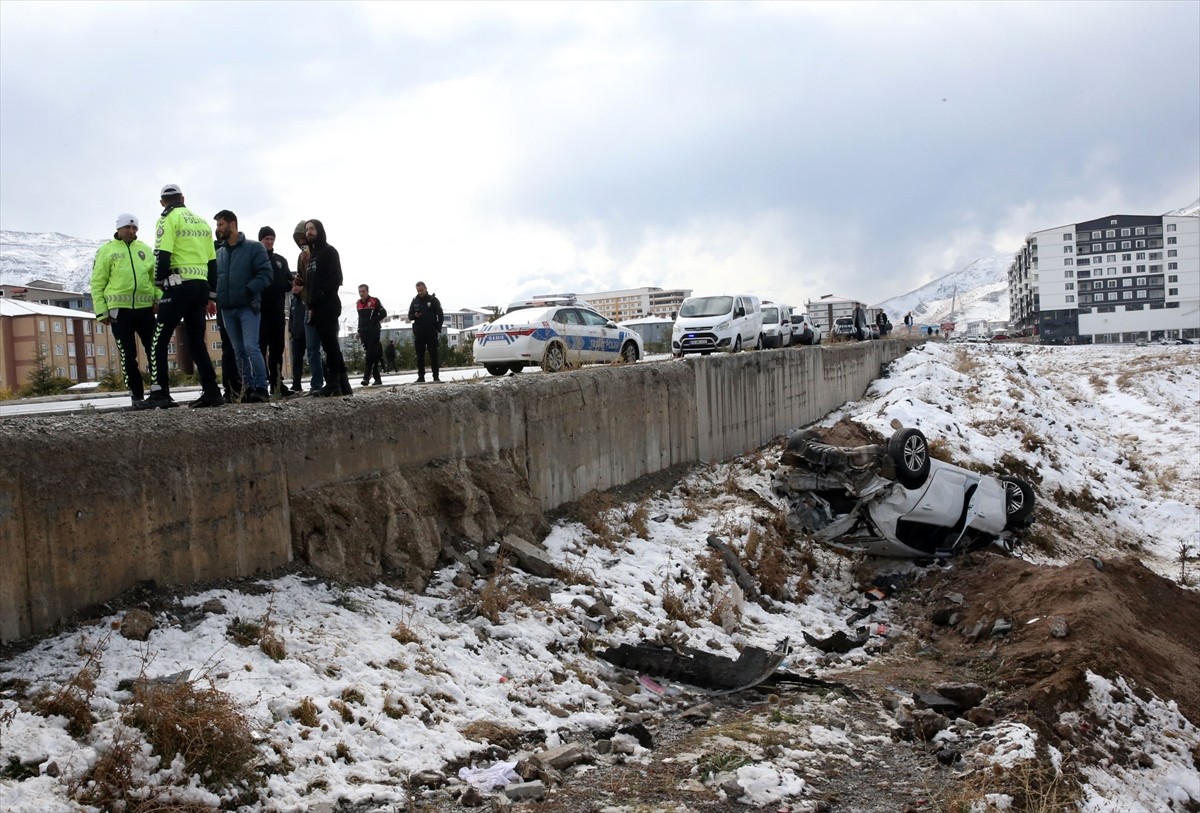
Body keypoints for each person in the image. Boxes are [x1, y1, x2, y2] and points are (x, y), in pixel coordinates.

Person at [137, 183, 223, 409]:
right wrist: (211, 294)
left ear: (162, 203)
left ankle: (159, 393)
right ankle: (212, 391)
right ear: (183, 198)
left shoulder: (167, 219)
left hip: (178, 284)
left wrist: (159, 282)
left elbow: (162, 254)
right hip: (201, 286)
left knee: (158, 339)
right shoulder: (202, 222)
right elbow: (212, 261)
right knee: (196, 340)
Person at [91, 213, 160, 407]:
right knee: (128, 354)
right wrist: (101, 311)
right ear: (118, 229)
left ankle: (158, 390)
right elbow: (97, 283)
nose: (131, 231)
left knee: (155, 350)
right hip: (119, 312)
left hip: (145, 309)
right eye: (127, 228)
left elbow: (155, 280)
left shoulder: (145, 250)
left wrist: (158, 300)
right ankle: (136, 395)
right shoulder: (106, 251)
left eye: (134, 228)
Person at [214, 210, 274, 403]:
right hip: (227, 309)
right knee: (238, 350)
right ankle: (248, 388)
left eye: (221, 224)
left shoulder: (253, 247)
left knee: (251, 347)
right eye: (217, 225)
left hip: (248, 307)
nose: (218, 229)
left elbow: (266, 274)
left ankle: (262, 388)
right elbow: (220, 279)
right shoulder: (220, 253)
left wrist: (248, 291)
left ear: (232, 224)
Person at [297, 219, 351, 397]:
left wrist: (320, 296)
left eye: (312, 228)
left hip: (328, 305)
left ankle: (333, 383)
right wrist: (311, 304)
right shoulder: (310, 256)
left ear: (319, 230)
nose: (309, 232)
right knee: (330, 345)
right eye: (307, 230)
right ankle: (344, 385)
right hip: (316, 307)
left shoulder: (329, 251)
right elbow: (309, 284)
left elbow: (336, 278)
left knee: (330, 345)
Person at [289, 220, 323, 394]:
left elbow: (328, 280)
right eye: (299, 239)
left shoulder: (323, 253)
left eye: (304, 237)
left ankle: (338, 381)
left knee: (329, 346)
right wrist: (297, 284)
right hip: (307, 306)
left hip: (324, 307)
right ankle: (316, 385)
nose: (302, 242)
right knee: (312, 350)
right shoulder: (301, 258)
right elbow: (301, 279)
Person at [257, 226, 291, 396]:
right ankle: (261, 384)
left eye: (271, 239)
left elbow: (288, 282)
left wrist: (293, 284)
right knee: (260, 349)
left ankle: (277, 384)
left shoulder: (280, 260)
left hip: (278, 312)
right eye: (266, 239)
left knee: (277, 349)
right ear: (260, 241)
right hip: (260, 313)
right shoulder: (254, 259)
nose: (269, 242)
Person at [408, 280, 444, 383]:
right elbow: (410, 316)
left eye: (422, 290)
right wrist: (415, 315)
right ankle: (421, 377)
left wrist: (438, 328)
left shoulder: (433, 300)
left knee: (433, 354)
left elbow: (440, 315)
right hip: (419, 332)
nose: (420, 292)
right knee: (420, 355)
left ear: (426, 288)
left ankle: (436, 377)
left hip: (431, 331)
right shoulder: (415, 301)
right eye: (418, 290)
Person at [356, 283, 387, 386]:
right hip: (364, 333)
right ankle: (377, 379)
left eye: (363, 291)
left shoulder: (374, 301)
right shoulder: (358, 303)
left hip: (374, 331)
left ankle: (366, 377)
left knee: (370, 355)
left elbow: (383, 313)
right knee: (373, 356)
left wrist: (374, 321)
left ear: (367, 291)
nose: (361, 294)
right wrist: (359, 331)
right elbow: (360, 319)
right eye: (360, 291)